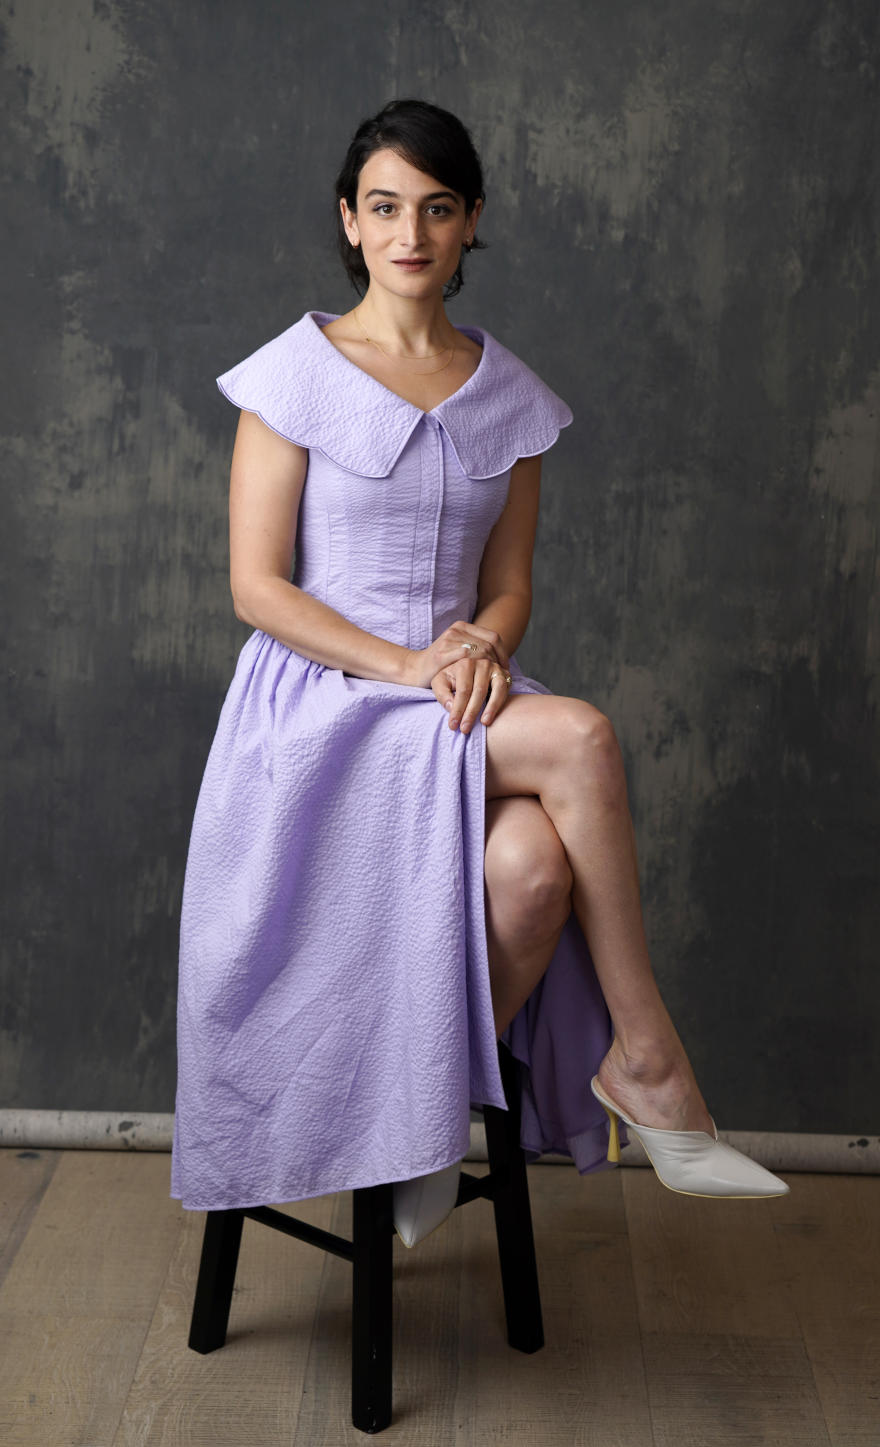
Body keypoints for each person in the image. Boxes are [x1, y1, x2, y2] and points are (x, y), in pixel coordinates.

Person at [171, 98, 787, 1243]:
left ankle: (423, 1124)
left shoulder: (505, 392)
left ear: (471, 226)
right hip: (328, 709)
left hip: (459, 698)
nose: (413, 233)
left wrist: (483, 645)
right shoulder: (293, 376)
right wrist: (414, 661)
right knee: (586, 737)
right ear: (350, 223)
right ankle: (647, 1060)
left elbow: (511, 586)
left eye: (438, 209)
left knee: (534, 867)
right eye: (388, 208)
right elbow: (258, 589)